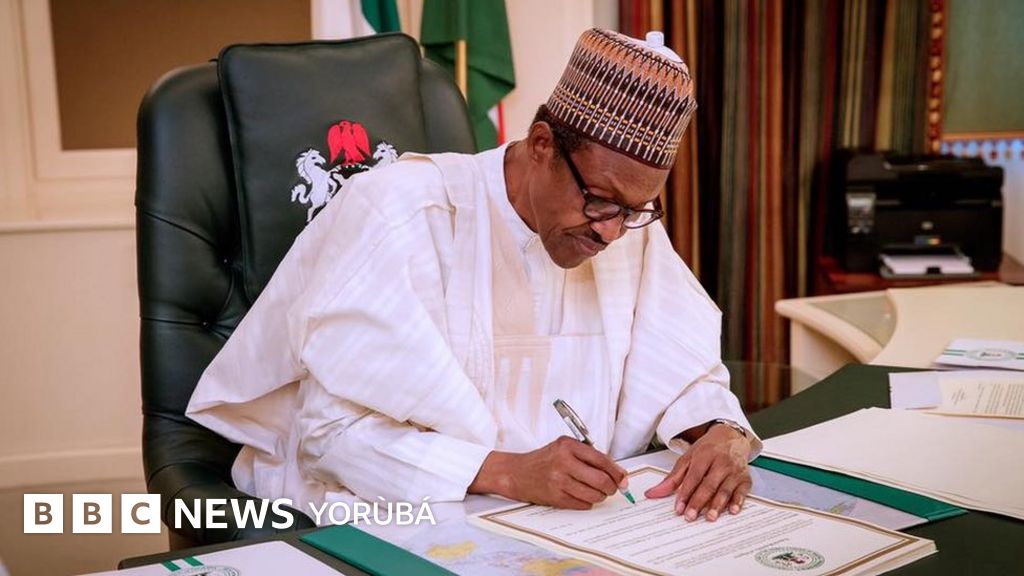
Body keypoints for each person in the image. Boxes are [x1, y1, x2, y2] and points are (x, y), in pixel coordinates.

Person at [187, 28, 762, 525]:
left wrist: (721, 434)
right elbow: (330, 437)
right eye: (600, 201)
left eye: (635, 210)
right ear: (542, 145)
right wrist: (507, 472)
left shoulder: (624, 227)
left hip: (572, 524)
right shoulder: (402, 212)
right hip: (399, 507)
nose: (611, 232)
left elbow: (684, 373)